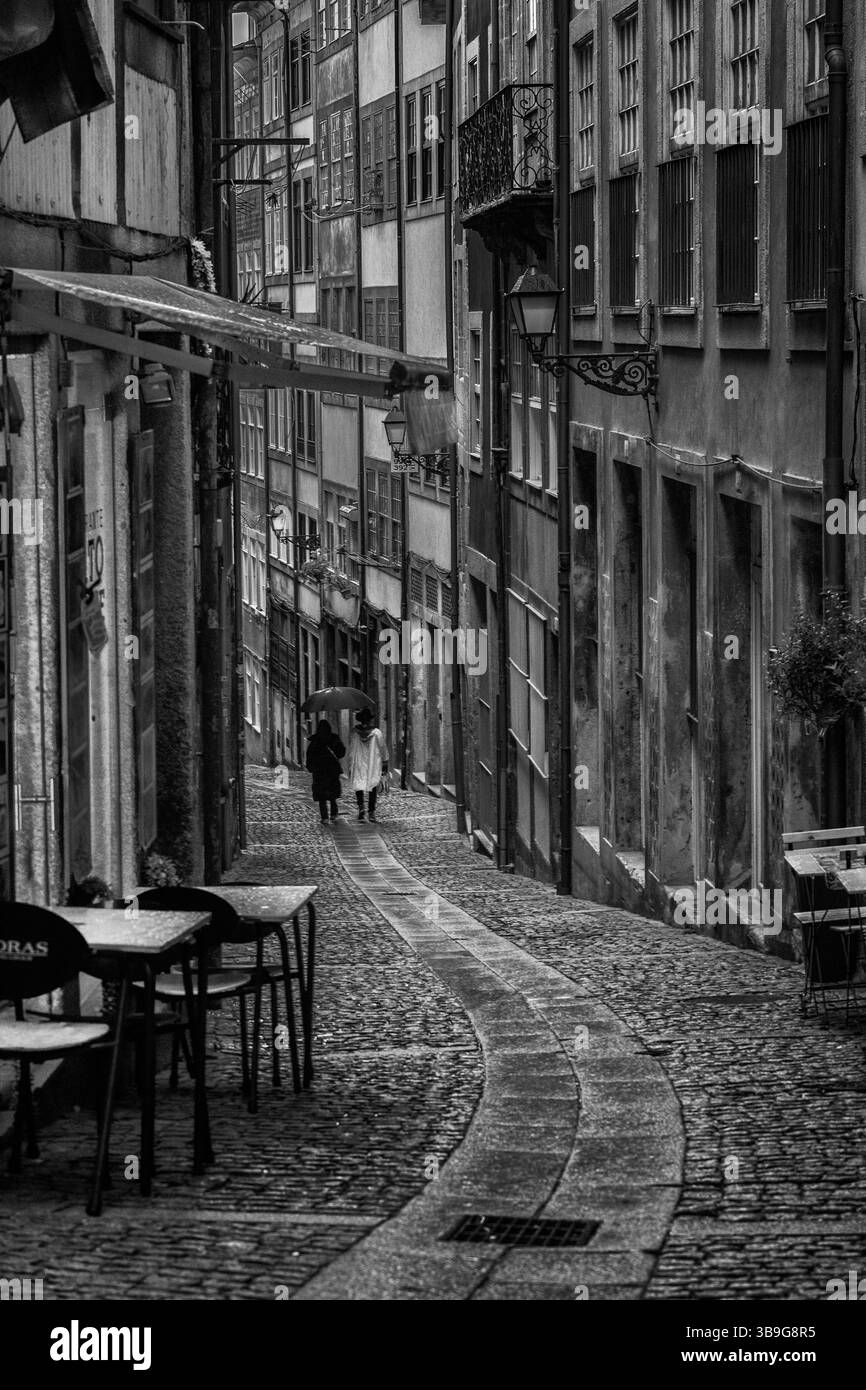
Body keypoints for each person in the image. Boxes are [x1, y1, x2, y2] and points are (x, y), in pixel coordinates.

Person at [347, 708, 388, 822]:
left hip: (359, 761)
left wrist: (350, 763)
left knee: (358, 784)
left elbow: (351, 748)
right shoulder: (377, 733)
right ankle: (371, 812)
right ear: (370, 719)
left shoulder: (354, 732)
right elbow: (383, 749)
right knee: (373, 785)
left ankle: (361, 808)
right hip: (372, 762)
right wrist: (385, 763)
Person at [305, 719, 346, 823]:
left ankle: (324, 817)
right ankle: (333, 814)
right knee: (332, 793)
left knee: (321, 794)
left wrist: (311, 768)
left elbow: (309, 756)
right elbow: (341, 753)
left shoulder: (315, 741)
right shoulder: (334, 739)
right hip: (332, 770)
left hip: (319, 772)